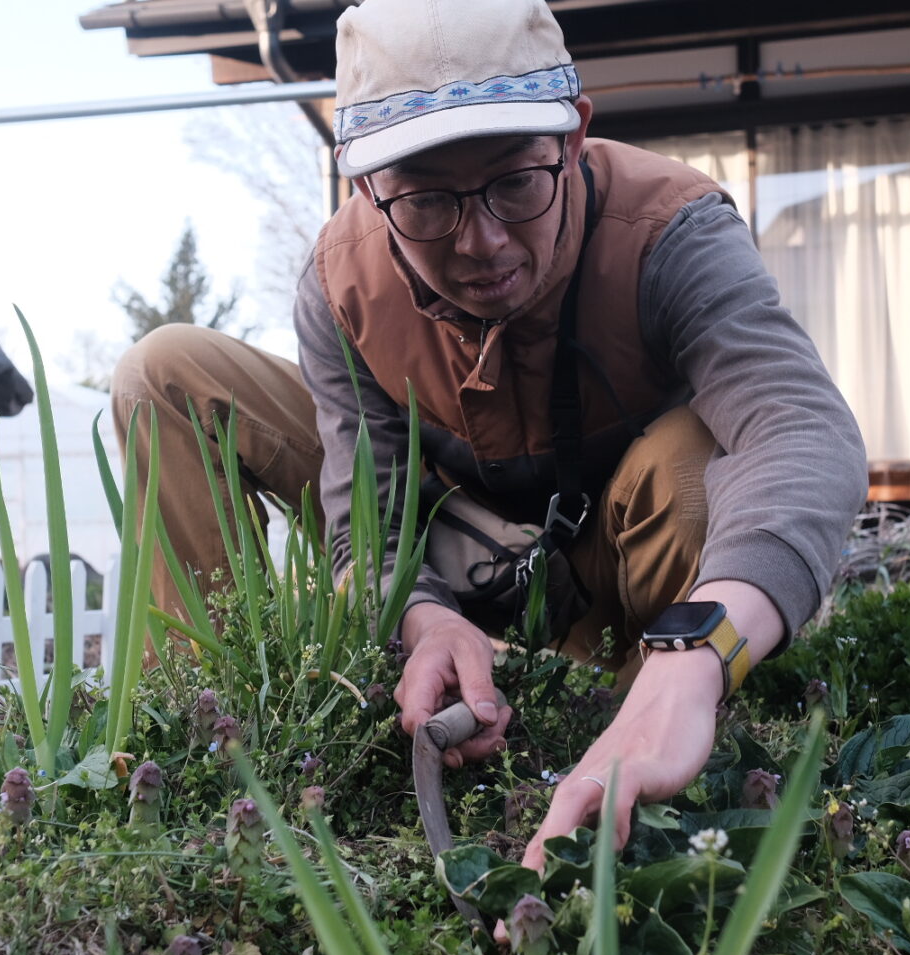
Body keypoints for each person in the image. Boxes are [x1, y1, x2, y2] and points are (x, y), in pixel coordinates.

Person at [113, 0, 868, 872]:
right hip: (452, 554)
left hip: (627, 585)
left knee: (694, 461)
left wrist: (697, 653)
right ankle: (206, 747)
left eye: (516, 182)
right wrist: (423, 619)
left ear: (574, 138)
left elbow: (801, 427)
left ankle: (648, 710)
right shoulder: (342, 282)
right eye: (428, 199)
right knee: (165, 372)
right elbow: (371, 520)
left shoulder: (670, 230)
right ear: (366, 188)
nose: (482, 241)